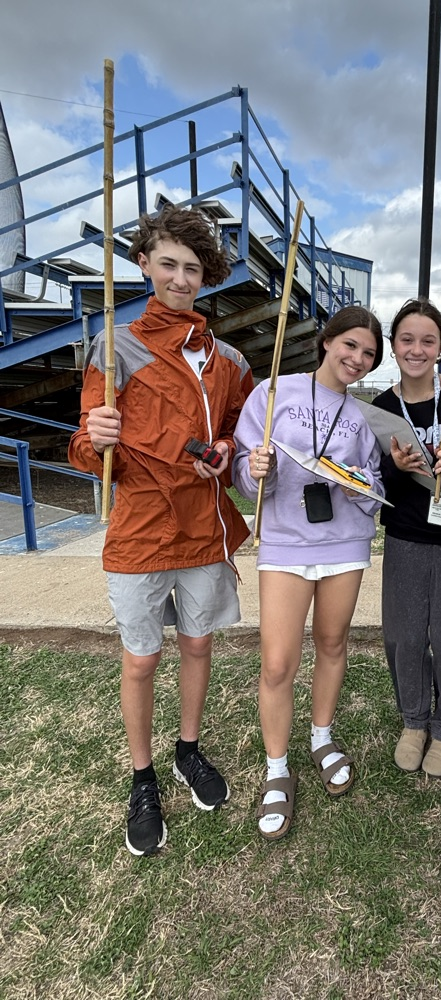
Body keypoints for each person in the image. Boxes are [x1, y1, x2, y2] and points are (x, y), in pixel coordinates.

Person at [69, 205, 254, 857]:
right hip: (141, 531)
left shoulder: (226, 356)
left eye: (193, 268)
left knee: (199, 648)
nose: (180, 278)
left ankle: (187, 750)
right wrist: (96, 439)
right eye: (168, 263)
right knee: (143, 659)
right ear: (143, 263)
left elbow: (239, 429)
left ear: (206, 279)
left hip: (203, 529)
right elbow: (88, 454)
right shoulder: (112, 346)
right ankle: (143, 777)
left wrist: (229, 449)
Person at [232, 305, 384, 840]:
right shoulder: (274, 392)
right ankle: (277, 767)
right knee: (277, 663)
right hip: (286, 544)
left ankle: (322, 735)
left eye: (368, 354)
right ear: (327, 341)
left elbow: (376, 490)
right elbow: (245, 474)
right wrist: (255, 470)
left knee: (333, 642)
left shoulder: (360, 418)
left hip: (344, 544)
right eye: (350, 346)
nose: (357, 359)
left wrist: (358, 484)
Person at [372, 299, 441, 777]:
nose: (417, 349)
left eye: (428, 341)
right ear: (393, 346)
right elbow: (375, 483)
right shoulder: (380, 408)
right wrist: (396, 470)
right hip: (405, 536)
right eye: (406, 340)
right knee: (404, 636)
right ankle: (414, 720)